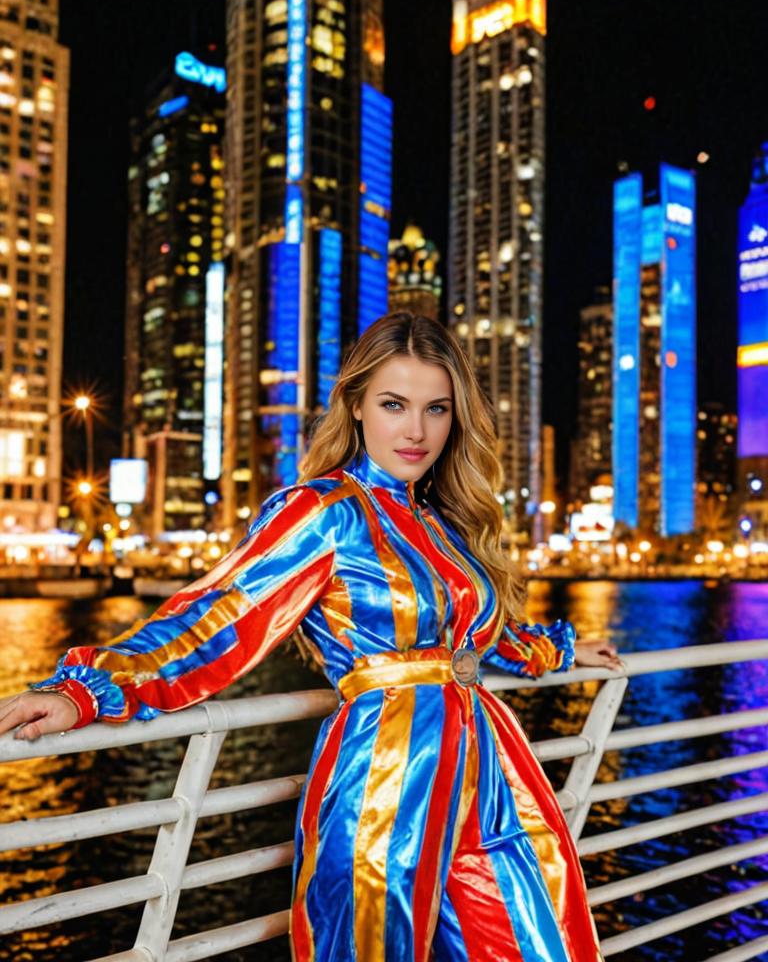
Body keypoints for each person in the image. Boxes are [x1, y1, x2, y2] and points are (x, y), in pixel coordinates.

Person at [0, 312, 621, 961]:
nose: (416, 430)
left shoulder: (442, 525)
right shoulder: (322, 512)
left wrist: (562, 649)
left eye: (436, 408)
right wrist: (86, 691)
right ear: (355, 405)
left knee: (534, 942)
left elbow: (475, 636)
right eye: (394, 404)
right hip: (384, 779)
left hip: (490, 775)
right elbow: (214, 618)